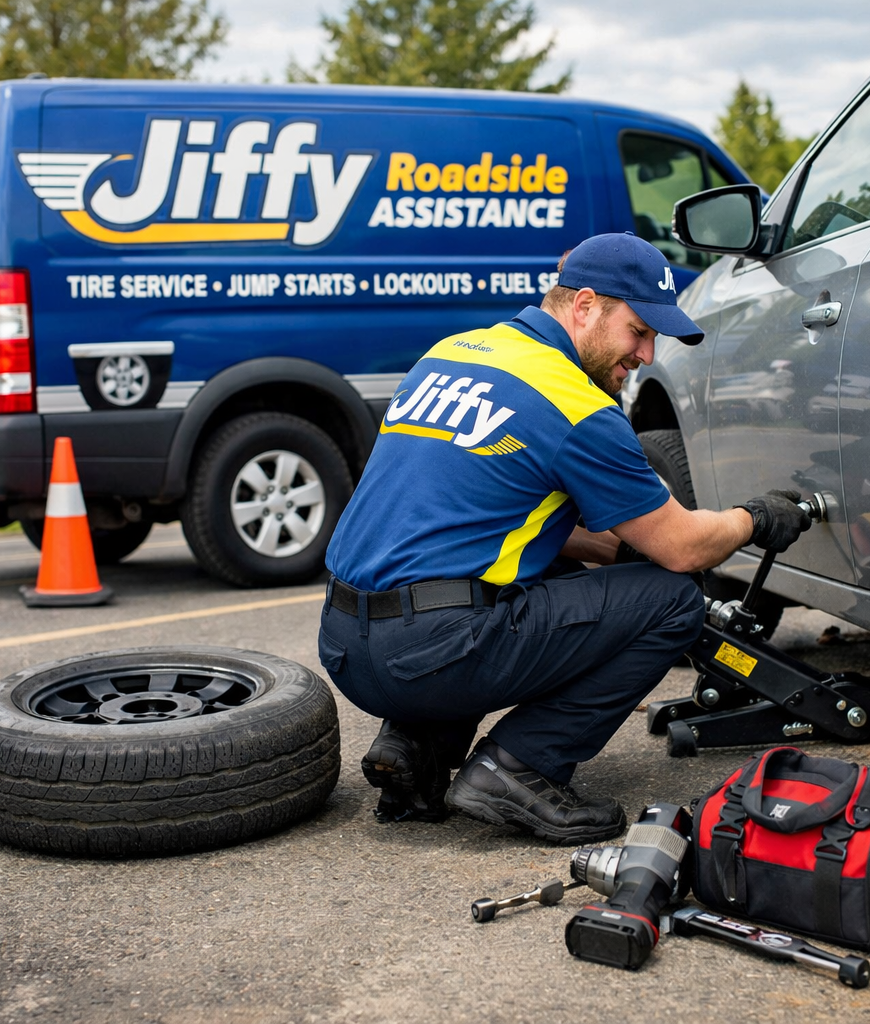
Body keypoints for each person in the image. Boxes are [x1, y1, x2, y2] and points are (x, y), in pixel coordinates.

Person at [317, 232, 810, 845]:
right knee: (672, 601)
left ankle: (416, 745)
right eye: (639, 331)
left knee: (516, 577)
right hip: (430, 654)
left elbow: (476, 520)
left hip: (345, 645)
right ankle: (517, 769)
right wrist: (756, 518)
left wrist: (617, 552)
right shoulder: (573, 402)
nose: (648, 355)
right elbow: (684, 546)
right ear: (584, 307)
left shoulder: (455, 353)